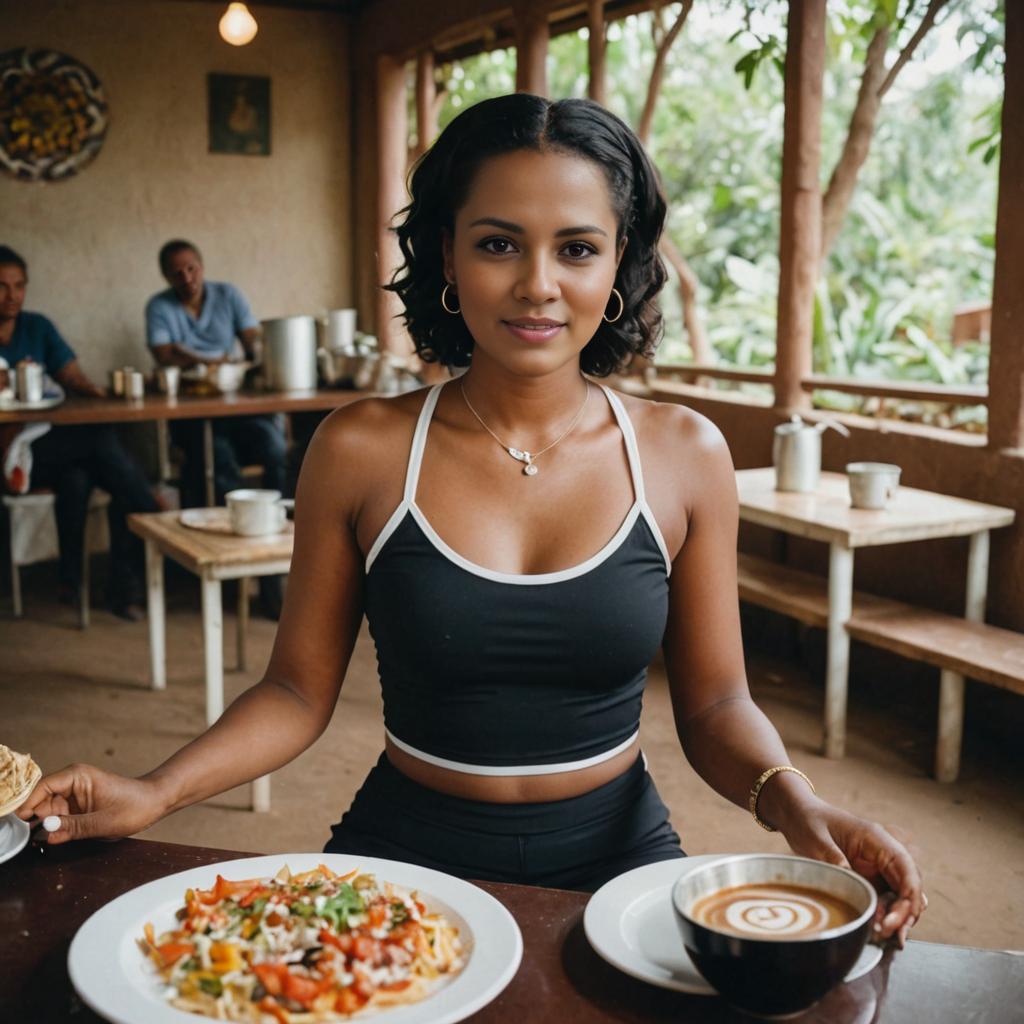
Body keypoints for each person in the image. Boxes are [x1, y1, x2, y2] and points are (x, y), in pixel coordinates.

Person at [18, 96, 924, 944]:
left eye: (576, 248)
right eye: (499, 244)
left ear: (619, 265)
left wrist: (799, 805)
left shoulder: (685, 453)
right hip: (404, 849)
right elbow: (296, 693)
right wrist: (154, 790)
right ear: (447, 255)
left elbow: (719, 704)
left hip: (620, 858)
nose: (537, 284)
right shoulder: (360, 449)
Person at [0, 245, 160, 620]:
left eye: (19, 286)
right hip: (9, 457)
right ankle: (150, 513)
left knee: (82, 475)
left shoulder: (36, 326)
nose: (12, 296)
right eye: (2, 286)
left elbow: (69, 373)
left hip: (44, 449)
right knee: (101, 446)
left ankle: (87, 584)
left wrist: (95, 392)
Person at [145, 239, 286, 617]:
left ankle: (280, 570)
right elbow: (164, 353)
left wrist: (256, 350)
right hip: (191, 414)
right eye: (177, 272)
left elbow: (252, 339)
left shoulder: (229, 296)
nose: (186, 277)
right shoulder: (159, 307)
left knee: (277, 451)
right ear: (166, 276)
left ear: (202, 267)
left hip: (237, 406)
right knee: (218, 463)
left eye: (191, 268)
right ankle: (234, 574)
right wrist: (216, 359)